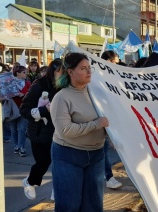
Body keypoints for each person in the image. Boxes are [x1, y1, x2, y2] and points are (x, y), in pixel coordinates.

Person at [50, 52, 109, 211]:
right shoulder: (62, 98)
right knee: (69, 206)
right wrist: (96, 124)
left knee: (93, 205)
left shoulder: (97, 93)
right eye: (83, 68)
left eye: (89, 68)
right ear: (70, 72)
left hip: (97, 154)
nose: (89, 71)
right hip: (68, 155)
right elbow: (65, 131)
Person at [19, 58, 62, 200]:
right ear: (52, 71)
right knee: (43, 162)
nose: (63, 76)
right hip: (40, 132)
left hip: (60, 131)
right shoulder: (39, 85)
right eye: (59, 72)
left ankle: (56, 190)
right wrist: (44, 110)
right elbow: (24, 110)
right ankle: (30, 181)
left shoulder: (67, 86)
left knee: (60, 162)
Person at [101, 51, 123, 189]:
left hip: (109, 116)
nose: (116, 65)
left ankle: (106, 175)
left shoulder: (112, 76)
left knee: (103, 150)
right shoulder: (97, 77)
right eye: (115, 62)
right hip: (100, 118)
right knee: (103, 150)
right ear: (108, 61)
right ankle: (108, 177)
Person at [11, 66, 31, 156]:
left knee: (22, 129)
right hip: (12, 109)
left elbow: (31, 94)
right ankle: (16, 145)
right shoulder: (10, 83)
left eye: (26, 72)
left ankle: (21, 147)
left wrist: (24, 94)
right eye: (23, 72)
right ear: (17, 73)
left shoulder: (27, 83)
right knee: (13, 129)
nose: (25, 74)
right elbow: (4, 94)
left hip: (24, 109)